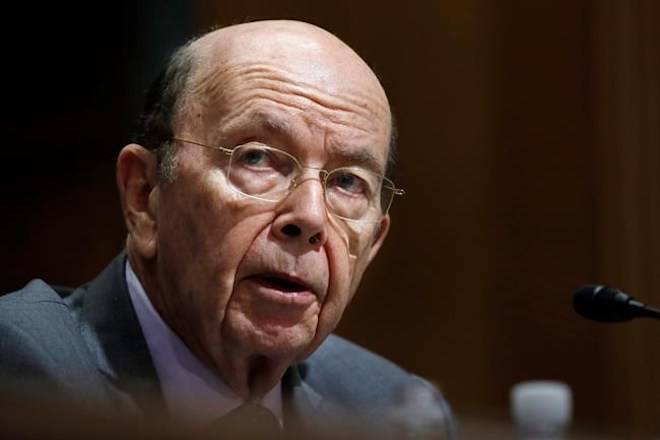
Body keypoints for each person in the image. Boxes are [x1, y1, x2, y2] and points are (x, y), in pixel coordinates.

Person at [0, 20, 454, 437]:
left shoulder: (391, 413)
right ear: (145, 195)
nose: (311, 217)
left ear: (372, 244)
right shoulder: (25, 368)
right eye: (257, 157)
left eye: (348, 182)